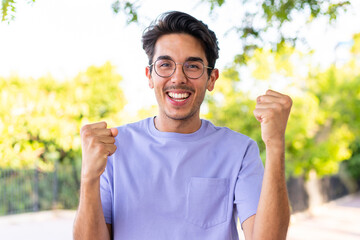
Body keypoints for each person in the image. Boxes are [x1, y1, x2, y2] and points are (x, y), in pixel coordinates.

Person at [73, 11, 292, 240]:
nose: (178, 78)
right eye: (165, 65)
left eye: (193, 66)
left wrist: (275, 144)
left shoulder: (239, 151)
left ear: (212, 79)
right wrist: (89, 177)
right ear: (149, 76)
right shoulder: (113, 149)